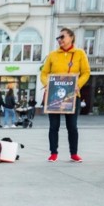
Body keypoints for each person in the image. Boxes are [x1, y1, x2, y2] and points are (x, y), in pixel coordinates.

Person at [40, 27, 90, 163]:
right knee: (53, 126)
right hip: (54, 95)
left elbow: (86, 72)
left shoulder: (80, 53)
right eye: (58, 38)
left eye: (62, 37)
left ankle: (74, 153)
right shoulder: (52, 55)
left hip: (73, 95)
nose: (60, 40)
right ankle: (53, 153)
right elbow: (44, 73)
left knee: (72, 126)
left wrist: (77, 85)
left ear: (71, 38)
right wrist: (47, 84)